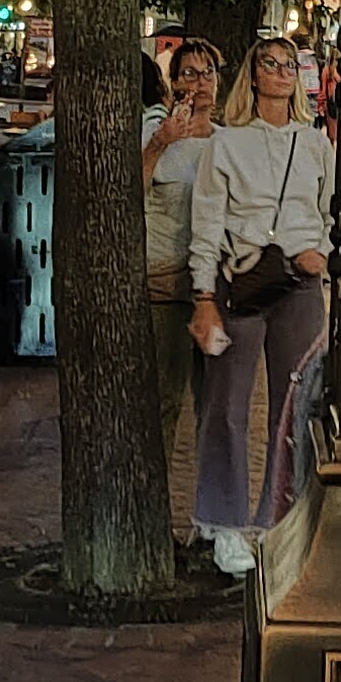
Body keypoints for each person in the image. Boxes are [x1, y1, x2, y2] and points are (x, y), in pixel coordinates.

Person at [188, 34, 336, 578]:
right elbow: (206, 224)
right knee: (227, 407)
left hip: (299, 285)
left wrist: (322, 250)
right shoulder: (226, 145)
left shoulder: (316, 143)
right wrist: (204, 296)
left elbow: (330, 211)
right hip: (243, 279)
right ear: (253, 75)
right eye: (268, 64)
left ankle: (282, 520)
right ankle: (223, 523)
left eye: (288, 65)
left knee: (296, 406)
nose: (279, 73)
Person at [143, 38, 222, 481]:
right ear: (173, 84)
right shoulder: (157, 131)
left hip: (213, 289)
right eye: (189, 74)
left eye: (207, 72)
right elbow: (127, 197)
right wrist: (158, 143)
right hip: (165, 286)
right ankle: (157, 512)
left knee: (215, 404)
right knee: (164, 403)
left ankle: (209, 522)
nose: (199, 83)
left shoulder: (228, 142)